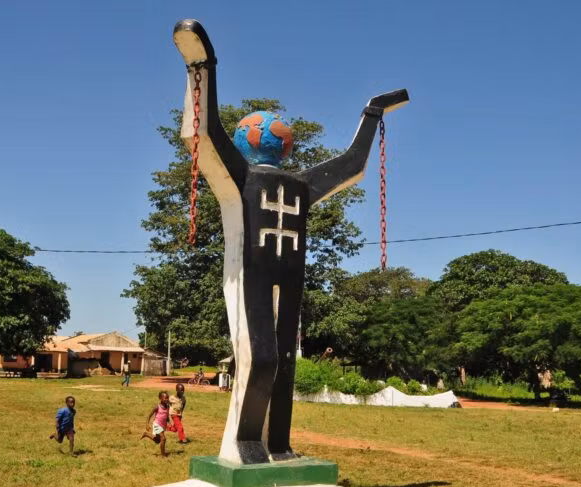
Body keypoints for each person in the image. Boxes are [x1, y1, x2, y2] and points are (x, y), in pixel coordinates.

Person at [174, 20, 407, 464]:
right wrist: (202, 66)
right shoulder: (241, 177)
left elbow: (352, 163)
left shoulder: (300, 186)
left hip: (290, 275)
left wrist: (374, 113)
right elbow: (204, 132)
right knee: (260, 357)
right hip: (250, 275)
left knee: (285, 363)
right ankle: (246, 441)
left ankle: (278, 443)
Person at [141, 391, 170, 457]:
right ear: (160, 398)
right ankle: (163, 455)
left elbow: (166, 415)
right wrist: (147, 424)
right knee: (163, 439)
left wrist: (168, 421)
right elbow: (149, 415)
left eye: (167, 398)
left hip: (163, 425)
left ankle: (146, 434)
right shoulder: (157, 407)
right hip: (157, 424)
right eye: (165, 398)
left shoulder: (168, 406)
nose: (166, 399)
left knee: (157, 440)